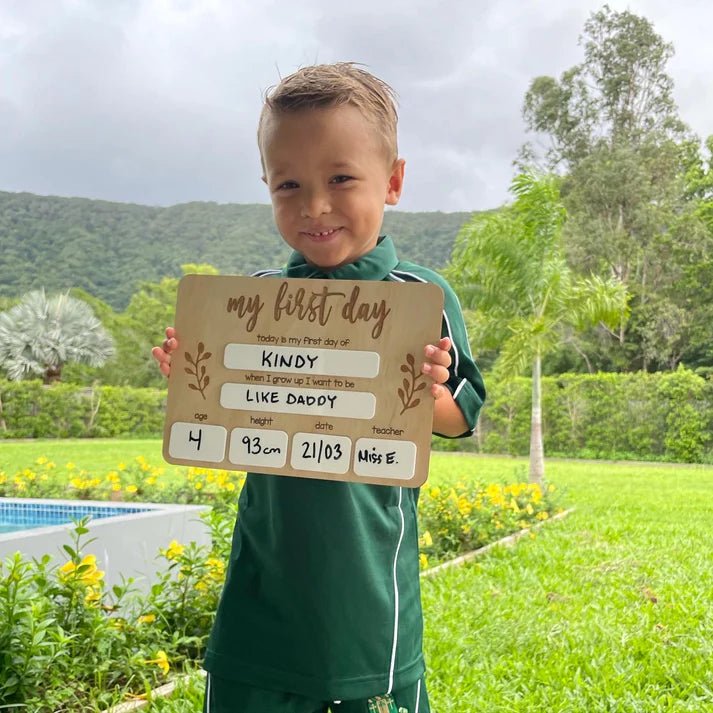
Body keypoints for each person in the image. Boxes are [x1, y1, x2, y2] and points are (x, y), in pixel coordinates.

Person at [152, 62, 485, 713]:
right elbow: (219, 408)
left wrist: (430, 390)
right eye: (289, 184)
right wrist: (192, 372)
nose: (314, 205)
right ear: (267, 187)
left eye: (340, 178)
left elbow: (459, 419)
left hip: (365, 604)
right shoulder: (250, 300)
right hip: (260, 590)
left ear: (391, 181)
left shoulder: (420, 298)